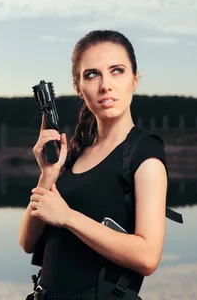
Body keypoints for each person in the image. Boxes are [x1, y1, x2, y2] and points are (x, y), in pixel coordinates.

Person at [19, 30, 170, 299]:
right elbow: (27, 242)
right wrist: (48, 175)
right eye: (92, 74)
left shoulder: (144, 154)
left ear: (135, 80)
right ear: (78, 87)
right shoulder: (76, 152)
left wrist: (68, 217)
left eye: (117, 71)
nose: (105, 86)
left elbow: (148, 258)